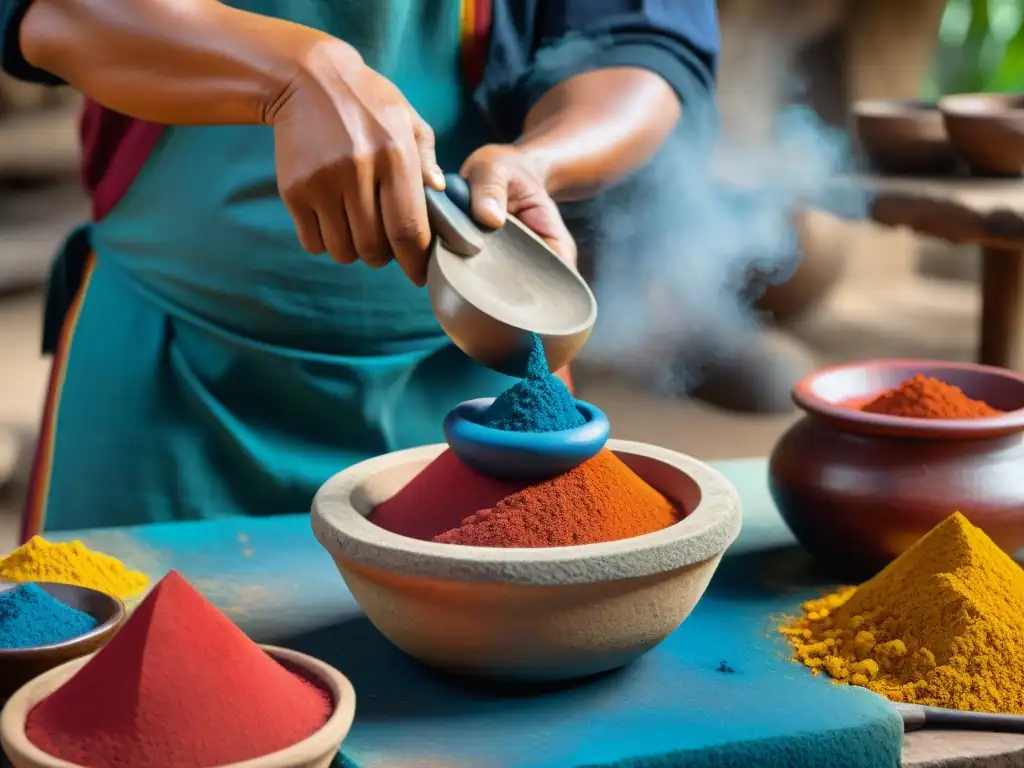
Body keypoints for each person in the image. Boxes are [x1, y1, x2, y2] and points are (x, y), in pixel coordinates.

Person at [0, 0, 718, 538]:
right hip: (164, 389)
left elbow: (643, 36)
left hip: (478, 383)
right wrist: (293, 75)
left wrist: (542, 159)